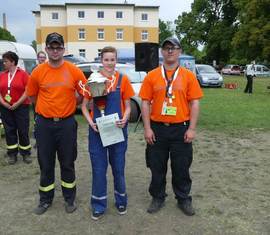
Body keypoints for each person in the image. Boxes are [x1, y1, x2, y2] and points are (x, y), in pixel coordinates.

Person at [139, 37, 203, 216]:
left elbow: (195, 103)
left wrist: (191, 129)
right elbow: (145, 103)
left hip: (181, 129)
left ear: (179, 52)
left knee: (181, 166)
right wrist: (147, 128)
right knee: (156, 166)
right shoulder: (152, 76)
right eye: (166, 48)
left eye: (173, 48)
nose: (170, 51)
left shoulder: (188, 76)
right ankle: (158, 197)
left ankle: (183, 198)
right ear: (162, 51)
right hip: (157, 128)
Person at [26, 32, 88, 215]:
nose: (55, 51)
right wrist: (45, 110)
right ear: (46, 49)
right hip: (44, 124)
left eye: (58, 47)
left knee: (67, 162)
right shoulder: (38, 71)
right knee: (45, 163)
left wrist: (72, 103)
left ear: (63, 49)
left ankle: (69, 199)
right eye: (51, 47)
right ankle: (45, 199)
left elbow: (85, 91)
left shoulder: (74, 70)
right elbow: (32, 96)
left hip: (67, 124)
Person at [81, 46, 135, 220]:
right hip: (97, 132)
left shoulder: (122, 80)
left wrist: (125, 119)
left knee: (118, 168)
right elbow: (83, 106)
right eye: (106, 59)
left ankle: (121, 200)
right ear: (101, 60)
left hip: (117, 130)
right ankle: (98, 204)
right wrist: (91, 123)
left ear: (116, 60)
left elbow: (127, 106)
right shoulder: (93, 80)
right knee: (98, 169)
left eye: (112, 59)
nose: (109, 63)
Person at [0, 51, 32, 164]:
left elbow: (28, 91)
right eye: (3, 61)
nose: (4, 63)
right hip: (5, 108)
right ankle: (12, 154)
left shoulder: (23, 74)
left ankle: (26, 153)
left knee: (23, 130)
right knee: (9, 131)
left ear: (13, 62)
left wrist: (17, 103)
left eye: (6, 61)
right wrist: (4, 103)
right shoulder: (2, 75)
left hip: (21, 107)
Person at [32, 51, 47, 148]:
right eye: (40, 57)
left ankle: (46, 140)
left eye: (43, 57)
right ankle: (38, 141)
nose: (42, 59)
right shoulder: (34, 70)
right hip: (36, 100)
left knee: (46, 121)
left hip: (46, 100)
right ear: (38, 58)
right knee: (37, 121)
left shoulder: (48, 68)